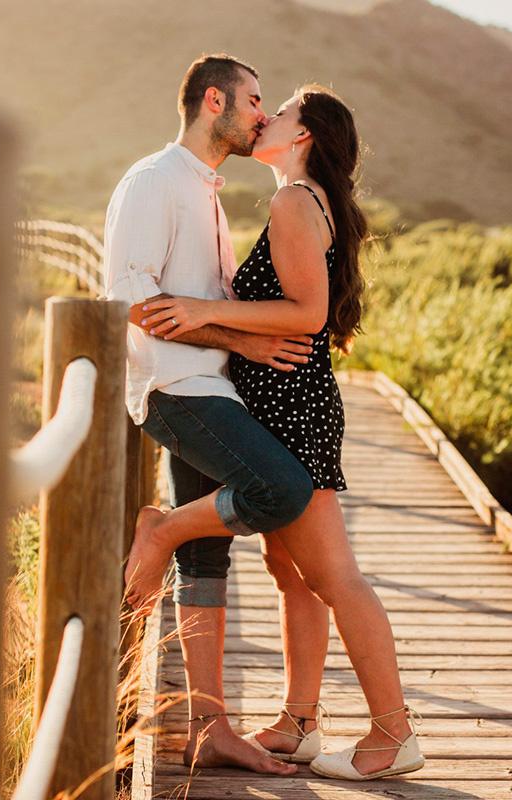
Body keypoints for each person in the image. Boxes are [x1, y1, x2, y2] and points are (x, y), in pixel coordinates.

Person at [132, 85, 425, 780]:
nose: (265, 118)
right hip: (288, 402)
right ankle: (300, 721)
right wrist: (222, 324)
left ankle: (393, 734)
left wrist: (201, 313)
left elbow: (307, 314)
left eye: (281, 112)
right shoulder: (307, 200)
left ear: (304, 137)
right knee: (291, 573)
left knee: (333, 577)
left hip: (293, 406)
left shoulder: (295, 200)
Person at [103, 53, 316, 775]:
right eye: (256, 100)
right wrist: (240, 341)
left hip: (208, 385)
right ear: (215, 99)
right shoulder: (155, 181)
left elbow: (193, 298)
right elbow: (132, 297)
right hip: (176, 389)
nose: (264, 114)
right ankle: (157, 527)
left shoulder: (206, 190)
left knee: (208, 558)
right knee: (281, 491)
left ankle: (211, 727)